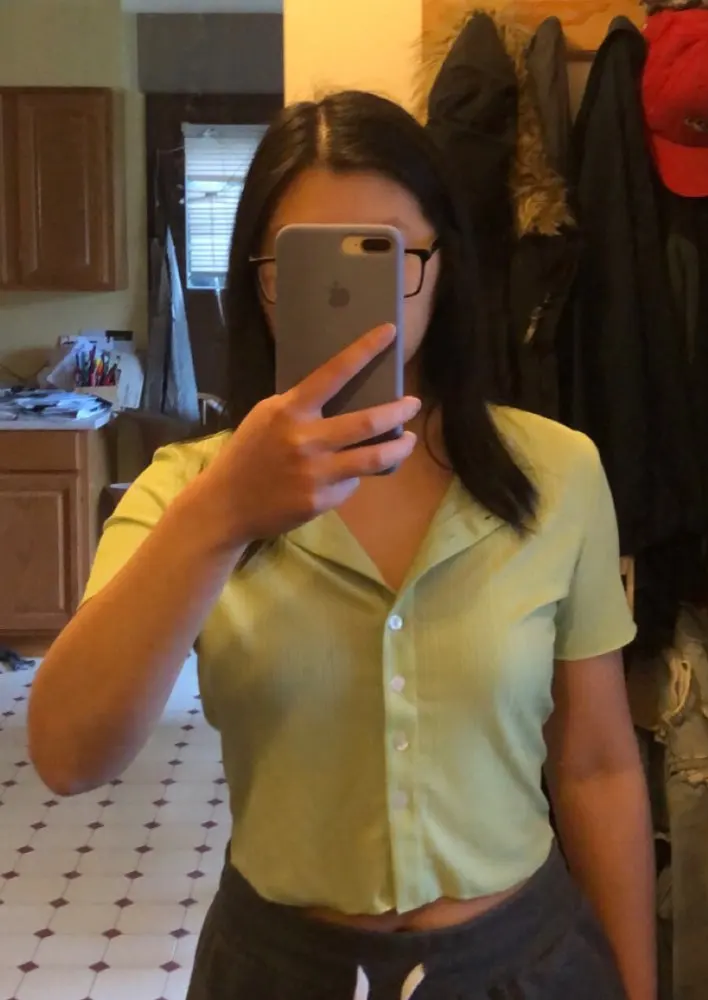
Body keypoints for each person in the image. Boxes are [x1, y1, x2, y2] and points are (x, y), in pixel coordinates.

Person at [28, 91, 655, 1000]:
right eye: (303, 263)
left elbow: (596, 765)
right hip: (276, 971)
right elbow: (66, 754)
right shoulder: (184, 492)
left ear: (444, 268)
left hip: (525, 964)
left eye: (388, 255)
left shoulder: (557, 473)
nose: (353, 300)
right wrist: (220, 517)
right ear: (259, 282)